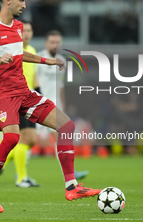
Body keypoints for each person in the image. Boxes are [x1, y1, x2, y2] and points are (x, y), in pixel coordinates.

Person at [0, 0, 101, 213]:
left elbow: (20, 55)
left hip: (23, 91)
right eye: (21, 0)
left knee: (67, 125)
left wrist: (46, 60)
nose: (24, 4)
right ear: (8, 1)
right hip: (2, 93)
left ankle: (71, 186)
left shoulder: (18, 27)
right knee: (12, 139)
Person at [37, 30, 89, 179]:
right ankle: (6, 167)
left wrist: (62, 105)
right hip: (39, 104)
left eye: (58, 42)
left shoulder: (61, 60)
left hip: (55, 106)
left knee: (62, 135)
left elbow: (60, 85)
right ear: (46, 43)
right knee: (27, 139)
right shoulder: (38, 59)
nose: (55, 45)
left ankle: (70, 173)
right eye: (52, 42)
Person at [0, 20, 40, 188]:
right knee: (25, 138)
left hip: (30, 98)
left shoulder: (31, 51)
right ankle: (21, 178)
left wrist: (40, 96)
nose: (27, 34)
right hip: (17, 99)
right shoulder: (13, 51)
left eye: (30, 30)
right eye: (24, 30)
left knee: (29, 140)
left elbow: (34, 77)